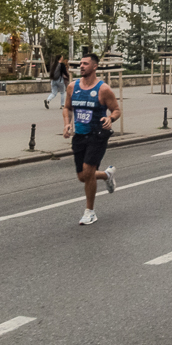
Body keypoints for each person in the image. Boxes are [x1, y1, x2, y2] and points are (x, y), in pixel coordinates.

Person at [62, 53, 120, 225]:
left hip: (97, 135)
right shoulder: (73, 87)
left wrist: (110, 119)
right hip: (79, 136)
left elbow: (116, 110)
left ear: (94, 67)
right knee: (82, 176)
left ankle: (90, 212)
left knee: (88, 171)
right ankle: (107, 175)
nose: (81, 66)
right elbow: (67, 108)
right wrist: (67, 124)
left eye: (85, 63)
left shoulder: (103, 89)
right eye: (80, 63)